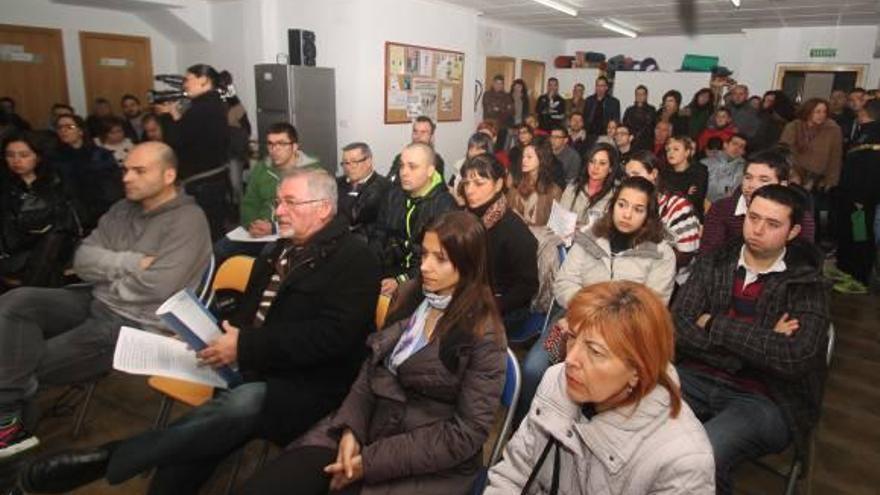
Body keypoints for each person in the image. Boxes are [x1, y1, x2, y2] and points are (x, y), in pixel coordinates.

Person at [21, 167, 380, 494]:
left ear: (323, 208)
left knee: (233, 409)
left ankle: (106, 458)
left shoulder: (356, 259)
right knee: (196, 442)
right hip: (248, 368)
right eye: (277, 202)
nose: (278, 212)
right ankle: (126, 466)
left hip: (308, 388)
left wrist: (244, 345)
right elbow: (247, 315)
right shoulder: (277, 251)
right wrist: (205, 334)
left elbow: (334, 337)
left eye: (290, 203)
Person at [239, 211, 506, 495]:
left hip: (423, 460)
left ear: (467, 265)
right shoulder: (412, 296)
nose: (425, 267)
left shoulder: (483, 334)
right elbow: (371, 368)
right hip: (370, 423)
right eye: (424, 254)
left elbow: (465, 434)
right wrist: (351, 430)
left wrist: (369, 462)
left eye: (440, 259)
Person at [0, 142, 211, 459]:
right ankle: (9, 422)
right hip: (96, 299)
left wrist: (106, 274)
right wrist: (129, 263)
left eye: (139, 171)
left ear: (169, 175)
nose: (127, 178)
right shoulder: (121, 209)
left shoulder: (189, 221)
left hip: (136, 322)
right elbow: (83, 259)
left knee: (24, 361)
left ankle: (8, 427)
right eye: (126, 169)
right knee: (18, 301)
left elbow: (158, 286)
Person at [672, 184, 830, 495]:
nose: (757, 229)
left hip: (765, 398)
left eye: (772, 224)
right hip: (695, 378)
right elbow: (678, 326)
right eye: (753, 218)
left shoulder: (807, 283)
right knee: (624, 405)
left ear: (793, 230)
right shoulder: (714, 262)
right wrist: (762, 341)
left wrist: (714, 323)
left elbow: (795, 357)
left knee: (705, 455)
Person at [487, 281, 715, 495]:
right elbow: (514, 472)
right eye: (572, 338)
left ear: (638, 369)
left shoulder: (683, 460)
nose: (570, 360)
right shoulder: (557, 380)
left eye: (595, 352)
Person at [518, 178, 677, 425]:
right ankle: (521, 435)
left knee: (609, 393)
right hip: (571, 323)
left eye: (638, 209)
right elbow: (564, 282)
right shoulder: (590, 237)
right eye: (622, 205)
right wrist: (581, 320)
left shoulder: (661, 253)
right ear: (612, 206)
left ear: (649, 215)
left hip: (623, 339)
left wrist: (596, 322)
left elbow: (650, 309)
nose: (627, 214)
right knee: (534, 368)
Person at [459, 154, 538, 331]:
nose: (470, 190)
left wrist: (491, 305)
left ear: (498, 185)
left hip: (505, 308)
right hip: (471, 297)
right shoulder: (466, 218)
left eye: (479, 184)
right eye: (466, 183)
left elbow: (528, 286)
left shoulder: (513, 230)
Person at [213, 123, 310, 262]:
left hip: (287, 234)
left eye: (281, 144)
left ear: (295, 147)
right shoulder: (262, 168)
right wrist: (252, 224)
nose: (274, 149)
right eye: (270, 144)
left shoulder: (311, 173)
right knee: (218, 251)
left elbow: (308, 216)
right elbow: (249, 203)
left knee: (264, 259)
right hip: (257, 231)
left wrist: (274, 228)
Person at [156, 63, 232, 241]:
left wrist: (170, 117)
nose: (185, 84)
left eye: (189, 79)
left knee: (205, 232)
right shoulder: (211, 104)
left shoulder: (202, 107)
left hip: (202, 182)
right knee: (212, 228)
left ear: (204, 80)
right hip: (211, 179)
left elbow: (176, 141)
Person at [371, 142, 456, 297]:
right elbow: (379, 235)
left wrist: (402, 280)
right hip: (388, 271)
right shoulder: (393, 195)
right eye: (402, 166)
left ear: (430, 171)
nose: (404, 172)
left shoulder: (445, 205)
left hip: (423, 279)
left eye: (412, 167)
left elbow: (440, 259)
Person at [0, 133, 80, 288]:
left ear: (37, 157)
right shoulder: (5, 187)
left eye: (24, 155)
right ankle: (32, 296)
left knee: (54, 238)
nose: (16, 161)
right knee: (50, 264)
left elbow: (67, 221)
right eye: (10, 155)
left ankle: (27, 295)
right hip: (18, 247)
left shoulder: (55, 182)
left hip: (54, 243)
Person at [701, 148, 815, 254]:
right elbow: (708, 255)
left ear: (782, 185)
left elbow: (803, 263)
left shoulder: (801, 219)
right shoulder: (721, 209)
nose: (752, 185)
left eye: (763, 180)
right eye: (748, 177)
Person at [624, 151, 702, 273]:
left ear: (654, 174)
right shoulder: (628, 202)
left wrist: (651, 264)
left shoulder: (677, 206)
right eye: (628, 176)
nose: (630, 180)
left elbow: (687, 253)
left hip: (673, 274)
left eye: (636, 174)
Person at [49, 114, 122, 233]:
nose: (63, 131)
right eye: (60, 127)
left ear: (80, 131)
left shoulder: (101, 155)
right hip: (72, 215)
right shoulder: (54, 158)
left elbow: (114, 188)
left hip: (102, 210)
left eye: (69, 127)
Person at [835, 99, 880, 286]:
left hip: (861, 199)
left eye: (861, 110)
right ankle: (846, 269)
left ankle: (858, 276)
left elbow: (873, 170)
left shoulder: (875, 134)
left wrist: (862, 198)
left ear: (867, 112)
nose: (858, 113)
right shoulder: (865, 132)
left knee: (860, 236)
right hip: (851, 196)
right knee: (849, 233)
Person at [780, 98, 843, 191]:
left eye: (824, 112)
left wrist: (831, 180)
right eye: (817, 112)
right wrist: (792, 171)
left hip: (817, 175)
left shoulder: (833, 130)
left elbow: (835, 156)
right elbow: (785, 150)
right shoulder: (794, 126)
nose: (821, 115)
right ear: (808, 111)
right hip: (794, 172)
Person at [336, 142, 390, 242]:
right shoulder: (336, 183)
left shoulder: (383, 187)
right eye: (345, 163)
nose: (349, 167)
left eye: (355, 162)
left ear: (369, 161)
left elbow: (355, 217)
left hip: (367, 244)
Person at [559, 143, 617, 231]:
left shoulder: (614, 196)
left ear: (610, 168)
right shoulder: (573, 186)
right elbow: (560, 218)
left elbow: (607, 229)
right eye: (592, 161)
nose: (595, 167)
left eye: (602, 163)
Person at [506, 140, 562, 227]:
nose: (524, 160)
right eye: (523, 156)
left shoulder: (553, 190)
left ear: (541, 159)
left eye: (529, 157)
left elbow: (556, 225)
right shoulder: (516, 183)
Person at [387, 116, 446, 183]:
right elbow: (389, 181)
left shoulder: (436, 161)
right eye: (415, 131)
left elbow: (438, 187)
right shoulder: (402, 157)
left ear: (431, 137)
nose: (418, 136)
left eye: (423, 132)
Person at [661, 135, 708, 218]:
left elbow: (694, 201)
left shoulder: (699, 172)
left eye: (676, 149)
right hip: (666, 217)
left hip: (691, 217)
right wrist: (685, 192)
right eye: (668, 150)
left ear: (687, 152)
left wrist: (675, 195)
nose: (670, 153)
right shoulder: (664, 173)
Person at [701, 133, 747, 203]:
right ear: (725, 145)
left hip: (726, 208)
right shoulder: (705, 163)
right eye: (734, 144)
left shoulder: (744, 170)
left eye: (741, 147)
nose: (736, 148)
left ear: (743, 151)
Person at [623, 84, 657, 151]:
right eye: (638, 94)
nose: (640, 96)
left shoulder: (652, 110)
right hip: (631, 142)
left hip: (646, 143)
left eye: (642, 94)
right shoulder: (629, 110)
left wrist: (637, 135)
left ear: (646, 96)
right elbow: (625, 126)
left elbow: (651, 126)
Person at [483, 74, 514, 147]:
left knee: (500, 150)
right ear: (493, 83)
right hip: (490, 126)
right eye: (497, 83)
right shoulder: (487, 94)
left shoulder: (507, 96)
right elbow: (490, 111)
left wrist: (498, 108)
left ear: (503, 85)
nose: (498, 85)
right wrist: (505, 108)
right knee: (488, 148)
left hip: (503, 127)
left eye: (501, 83)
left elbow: (512, 111)